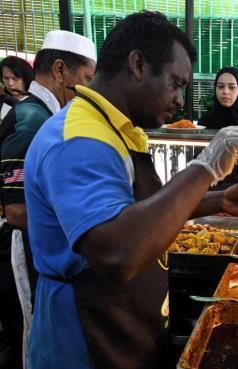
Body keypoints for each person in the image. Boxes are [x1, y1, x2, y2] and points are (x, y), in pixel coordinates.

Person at [24, 11, 238, 369]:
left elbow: (133, 208)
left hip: (124, 322)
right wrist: (207, 165)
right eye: (176, 83)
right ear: (138, 64)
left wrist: (214, 201)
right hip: (85, 335)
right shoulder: (79, 139)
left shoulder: (113, 126)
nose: (181, 100)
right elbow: (118, 253)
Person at [0, 31, 96, 369]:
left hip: (35, 244)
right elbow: (15, 211)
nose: (88, 90)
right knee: (28, 331)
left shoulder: (47, 115)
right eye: (85, 79)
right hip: (18, 247)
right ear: (59, 69)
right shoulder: (32, 121)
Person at [0, 56, 34, 122]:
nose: (10, 83)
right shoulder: (2, 100)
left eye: (15, 79)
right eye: (6, 78)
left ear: (26, 78)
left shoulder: (35, 103)